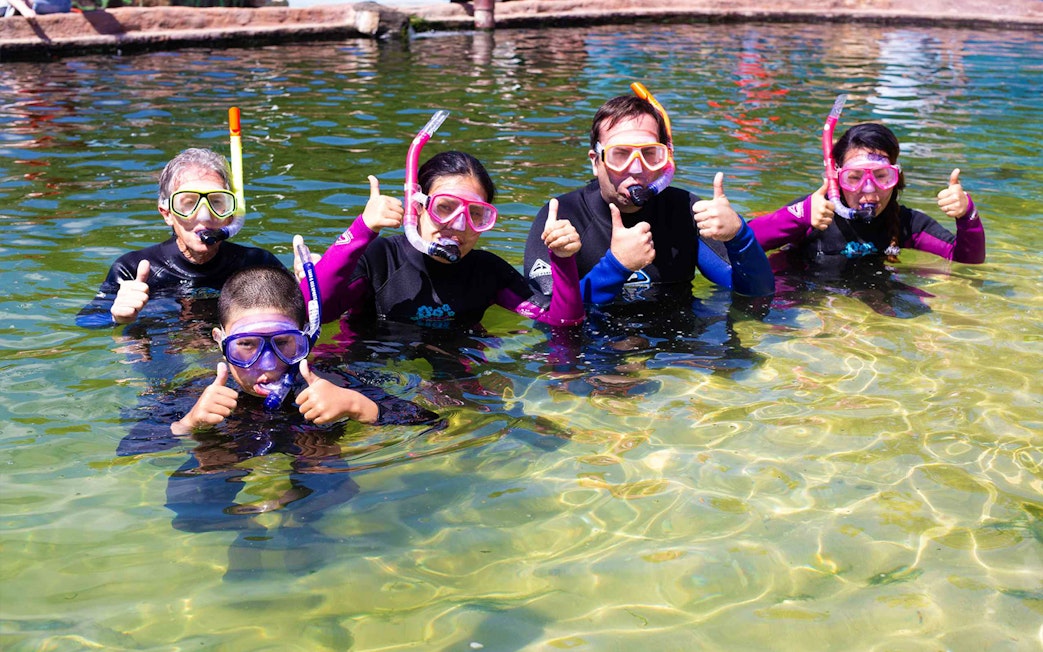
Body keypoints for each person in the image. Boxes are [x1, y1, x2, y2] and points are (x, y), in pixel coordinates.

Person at [523, 89, 775, 307]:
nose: (636, 168)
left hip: (673, 349)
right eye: (619, 154)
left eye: (650, 154)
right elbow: (549, 312)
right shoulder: (562, 216)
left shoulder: (685, 211)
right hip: (597, 347)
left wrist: (739, 235)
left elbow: (756, 293)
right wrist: (616, 266)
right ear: (595, 161)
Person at [307, 150, 585, 331]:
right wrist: (362, 229)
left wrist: (563, 260)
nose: (459, 225)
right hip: (373, 361)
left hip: (458, 364)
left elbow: (563, 322)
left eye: (476, 214)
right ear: (417, 207)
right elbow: (314, 311)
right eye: (445, 207)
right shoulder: (381, 257)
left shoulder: (488, 271)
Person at [165, 265, 437, 435]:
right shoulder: (198, 395)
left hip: (310, 458)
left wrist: (356, 405)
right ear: (220, 342)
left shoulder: (331, 385)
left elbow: (429, 422)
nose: (269, 365)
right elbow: (136, 447)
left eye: (283, 343)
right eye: (247, 345)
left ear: (306, 338)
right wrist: (189, 423)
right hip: (231, 452)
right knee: (202, 482)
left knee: (320, 457)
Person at [76, 148, 283, 328]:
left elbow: (300, 313)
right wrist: (116, 316)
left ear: (231, 214)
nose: (204, 216)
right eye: (188, 203)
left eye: (217, 202)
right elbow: (86, 321)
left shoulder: (258, 265)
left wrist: (311, 285)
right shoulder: (132, 268)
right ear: (167, 214)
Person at [749, 122, 986, 268]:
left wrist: (967, 214)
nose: (869, 189)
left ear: (897, 178)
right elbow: (746, 243)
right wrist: (797, 217)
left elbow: (966, 260)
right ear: (835, 179)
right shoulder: (813, 212)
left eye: (882, 176)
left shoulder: (907, 224)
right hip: (803, 293)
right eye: (854, 177)